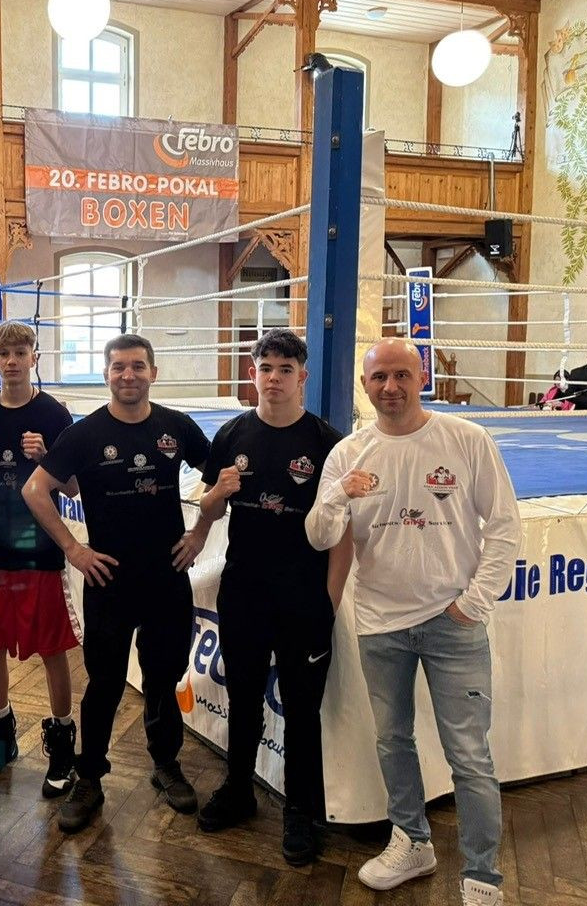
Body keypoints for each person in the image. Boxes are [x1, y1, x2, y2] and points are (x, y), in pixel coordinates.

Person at [304, 338, 521, 906]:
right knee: (392, 740)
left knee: (469, 754)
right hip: (381, 622)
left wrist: (473, 603)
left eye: (401, 374)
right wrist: (338, 494)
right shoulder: (349, 452)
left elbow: (504, 525)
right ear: (365, 385)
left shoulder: (465, 439)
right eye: (379, 377)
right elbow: (320, 537)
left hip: (454, 622)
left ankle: (483, 876)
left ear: (421, 377)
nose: (391, 387)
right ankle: (413, 841)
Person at [23, 333, 211, 834]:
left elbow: (219, 478)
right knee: (104, 683)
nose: (128, 375)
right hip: (109, 578)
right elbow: (35, 489)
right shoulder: (85, 434)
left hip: (167, 576)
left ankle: (165, 764)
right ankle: (90, 778)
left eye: (137, 366)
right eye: (119, 367)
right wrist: (74, 548)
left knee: (163, 679)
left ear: (153, 372)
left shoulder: (176, 426)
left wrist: (200, 532)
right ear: (107, 374)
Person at [195, 329, 352, 865]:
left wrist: (329, 600)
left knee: (303, 709)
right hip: (244, 590)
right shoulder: (232, 434)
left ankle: (301, 810)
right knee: (243, 696)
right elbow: (209, 509)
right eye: (266, 368)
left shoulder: (328, 443)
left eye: (286, 370)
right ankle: (239, 789)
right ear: (253, 373)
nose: (275, 378)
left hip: (304, 596)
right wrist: (218, 493)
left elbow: (344, 530)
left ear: (302, 377)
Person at [0, 321, 78, 794]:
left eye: (20, 351)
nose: (11, 361)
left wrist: (47, 456)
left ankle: (63, 744)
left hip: (40, 551)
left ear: (35, 357)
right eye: (3, 353)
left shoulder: (54, 413)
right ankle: (1, 736)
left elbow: (73, 488)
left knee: (52, 648)